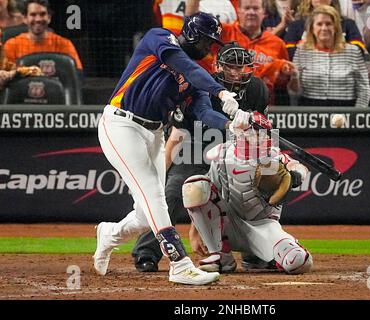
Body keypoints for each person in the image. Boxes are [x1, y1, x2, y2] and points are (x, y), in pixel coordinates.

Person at [93, 12, 253, 286]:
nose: (208, 47)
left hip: (154, 132)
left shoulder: (198, 79)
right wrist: (222, 93)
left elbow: (203, 112)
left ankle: (110, 234)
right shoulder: (159, 37)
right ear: (191, 34)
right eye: (206, 40)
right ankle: (179, 264)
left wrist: (232, 125)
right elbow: (183, 65)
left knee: (147, 213)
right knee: (154, 194)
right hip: (120, 124)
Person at [131, 42, 270, 273]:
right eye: (231, 67)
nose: (237, 72)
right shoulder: (200, 86)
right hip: (194, 151)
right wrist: (161, 174)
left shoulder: (257, 89)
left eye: (242, 67)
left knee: (255, 191)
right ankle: (147, 252)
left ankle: (256, 253)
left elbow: (262, 135)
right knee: (172, 192)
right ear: (218, 66)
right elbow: (177, 135)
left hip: (235, 155)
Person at [182, 112, 313, 275]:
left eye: (263, 133)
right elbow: (207, 193)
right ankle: (220, 257)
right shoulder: (221, 154)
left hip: (263, 227)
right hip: (228, 224)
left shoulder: (274, 157)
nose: (260, 137)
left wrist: (295, 176)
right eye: (255, 132)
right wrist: (194, 231)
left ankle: (261, 257)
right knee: (194, 186)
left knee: (298, 262)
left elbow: (300, 168)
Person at [188, 0, 297, 105]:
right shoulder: (224, 32)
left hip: (262, 105)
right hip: (222, 101)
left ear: (264, 12)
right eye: (247, 8)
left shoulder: (277, 44)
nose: (251, 12)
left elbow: (284, 85)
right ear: (238, 10)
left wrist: (288, 74)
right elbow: (194, 21)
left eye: (255, 8)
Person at [289, 5, 370, 107]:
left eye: (328, 24)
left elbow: (364, 89)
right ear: (312, 28)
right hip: (311, 110)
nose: (324, 28)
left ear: (336, 27)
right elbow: (295, 93)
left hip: (346, 110)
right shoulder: (302, 51)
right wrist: (294, 78)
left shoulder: (353, 51)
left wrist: (357, 115)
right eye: (319, 24)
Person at [3, 0, 83, 72]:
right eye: (33, 15)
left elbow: (77, 76)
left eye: (42, 14)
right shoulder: (11, 45)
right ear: (25, 18)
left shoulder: (64, 45)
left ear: (49, 17)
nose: (38, 19)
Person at [284, 0, 365, 60]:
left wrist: (307, 47)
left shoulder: (348, 24)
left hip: (341, 72)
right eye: (319, 24)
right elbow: (289, 52)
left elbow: (358, 50)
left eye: (328, 24)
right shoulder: (296, 25)